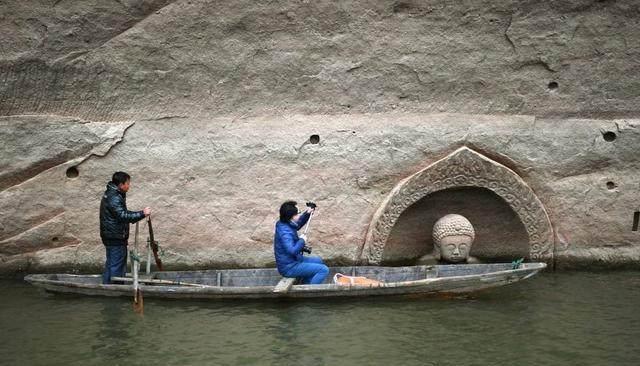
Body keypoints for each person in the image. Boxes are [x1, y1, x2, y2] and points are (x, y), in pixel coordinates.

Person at [100, 171, 151, 284]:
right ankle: (115, 289)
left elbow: (122, 213)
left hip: (112, 235)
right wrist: (142, 213)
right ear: (121, 184)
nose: (129, 186)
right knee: (116, 264)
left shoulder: (113, 194)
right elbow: (122, 215)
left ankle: (107, 286)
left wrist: (139, 214)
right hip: (115, 236)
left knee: (112, 263)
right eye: (127, 183)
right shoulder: (114, 197)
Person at [273, 201, 329, 284]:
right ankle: (308, 292)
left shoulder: (285, 223)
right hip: (289, 267)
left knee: (318, 261)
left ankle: (305, 284)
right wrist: (302, 240)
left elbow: (297, 224)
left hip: (295, 260)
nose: (299, 214)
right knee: (323, 270)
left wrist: (307, 213)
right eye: (298, 213)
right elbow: (292, 250)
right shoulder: (285, 233)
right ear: (291, 216)